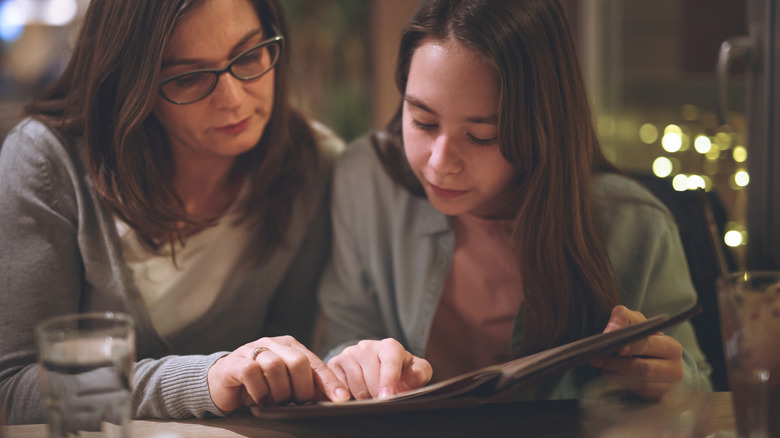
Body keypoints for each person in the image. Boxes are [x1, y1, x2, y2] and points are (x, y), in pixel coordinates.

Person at [319, 0, 713, 402]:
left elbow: (698, 388)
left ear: (541, 125)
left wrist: (668, 381)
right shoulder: (365, 181)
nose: (440, 163)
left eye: (482, 135)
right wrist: (352, 362)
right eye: (423, 121)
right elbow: (343, 335)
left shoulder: (634, 226)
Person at [0, 0, 350, 424]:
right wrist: (206, 379)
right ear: (132, 84)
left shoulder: (312, 165)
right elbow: (14, 389)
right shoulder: (47, 163)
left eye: (251, 55)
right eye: (189, 77)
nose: (234, 98)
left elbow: (288, 376)